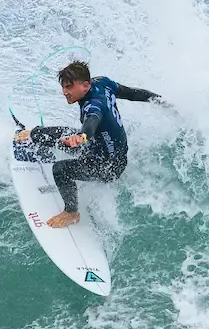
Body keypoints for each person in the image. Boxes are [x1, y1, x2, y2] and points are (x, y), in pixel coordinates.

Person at [14, 60, 163, 228]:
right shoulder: (103, 83)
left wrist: (82, 136)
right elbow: (133, 93)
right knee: (60, 134)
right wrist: (159, 100)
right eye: (63, 87)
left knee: (60, 170)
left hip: (108, 166)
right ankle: (33, 134)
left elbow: (93, 120)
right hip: (106, 149)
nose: (65, 92)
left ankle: (71, 213)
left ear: (85, 85)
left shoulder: (94, 105)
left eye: (69, 87)